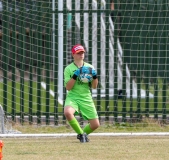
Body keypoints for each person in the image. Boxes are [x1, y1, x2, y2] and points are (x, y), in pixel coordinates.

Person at [64, 44, 100, 143]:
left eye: (82, 52)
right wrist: (76, 75)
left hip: (86, 97)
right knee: (67, 112)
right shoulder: (68, 69)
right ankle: (81, 135)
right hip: (73, 96)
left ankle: (83, 134)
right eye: (78, 53)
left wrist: (95, 76)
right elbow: (68, 87)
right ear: (73, 55)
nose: (81, 55)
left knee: (95, 124)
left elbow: (94, 86)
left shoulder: (90, 67)